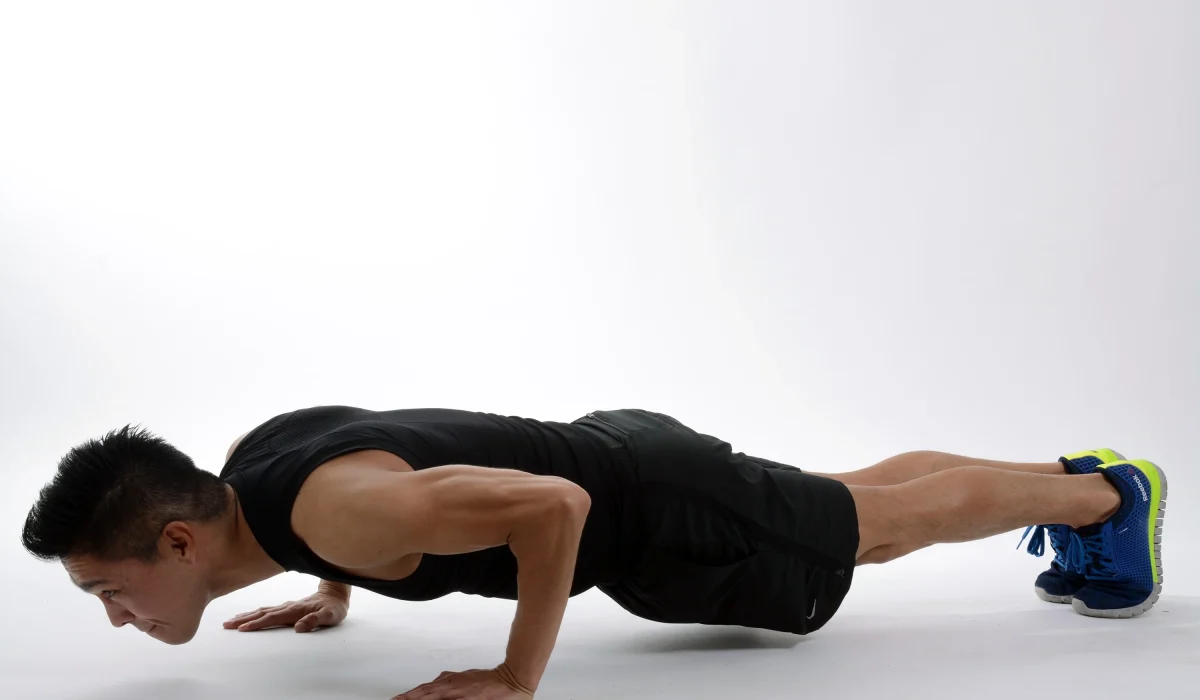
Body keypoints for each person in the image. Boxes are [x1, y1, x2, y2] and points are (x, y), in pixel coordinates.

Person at [21, 406, 1167, 700]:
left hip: (647, 506)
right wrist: (330, 591)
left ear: (177, 537)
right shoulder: (259, 475)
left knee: (875, 528)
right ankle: (1075, 480)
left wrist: (519, 677)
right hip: (638, 459)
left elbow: (553, 508)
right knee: (850, 498)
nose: (119, 615)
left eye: (112, 590)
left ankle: (1106, 495)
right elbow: (347, 488)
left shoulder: (342, 517)